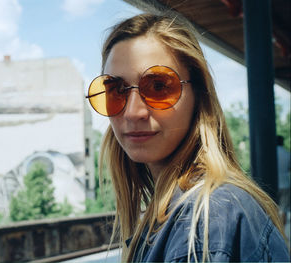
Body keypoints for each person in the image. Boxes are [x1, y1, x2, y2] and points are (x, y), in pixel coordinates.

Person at [86, 13, 290, 262]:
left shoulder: (205, 222)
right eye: (115, 90)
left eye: (159, 86)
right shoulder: (190, 211)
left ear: (199, 95)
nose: (132, 112)